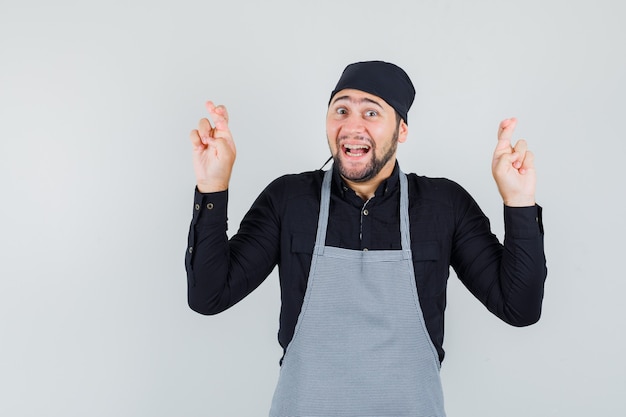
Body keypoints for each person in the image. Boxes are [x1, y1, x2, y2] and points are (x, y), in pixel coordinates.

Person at [185, 61, 547, 417]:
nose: (351, 125)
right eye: (340, 109)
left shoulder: (444, 206)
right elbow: (210, 296)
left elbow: (519, 308)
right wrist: (212, 186)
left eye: (371, 113)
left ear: (401, 129)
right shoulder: (289, 201)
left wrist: (518, 202)